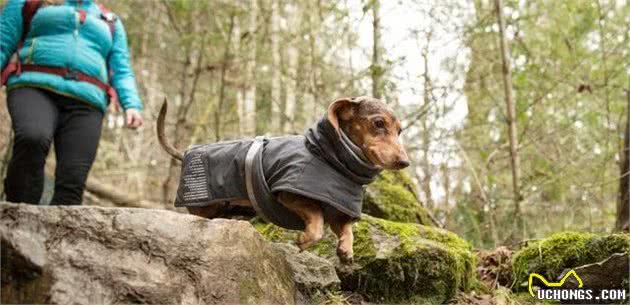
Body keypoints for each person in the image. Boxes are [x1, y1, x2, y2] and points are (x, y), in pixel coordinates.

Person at [0, 0, 143, 205]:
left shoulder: (110, 21)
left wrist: (132, 104)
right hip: (34, 85)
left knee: (73, 177)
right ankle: (15, 218)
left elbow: (121, 69)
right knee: (33, 138)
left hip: (87, 102)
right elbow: (3, 41)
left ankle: (58, 235)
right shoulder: (29, 3)